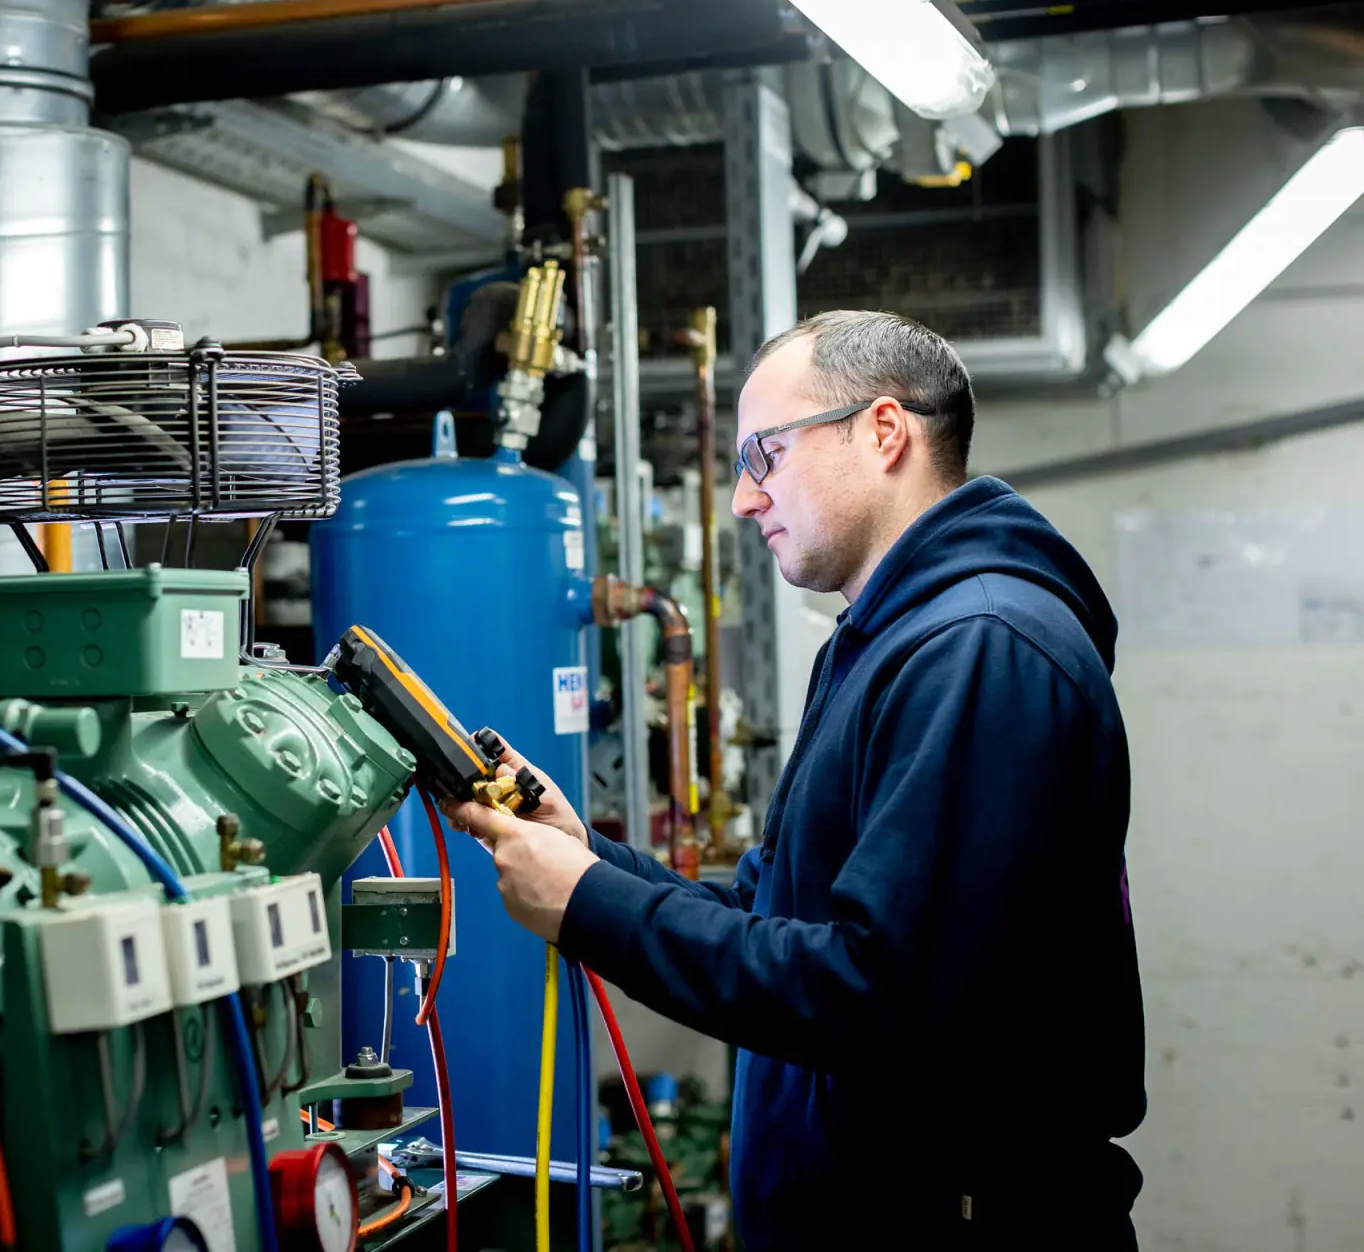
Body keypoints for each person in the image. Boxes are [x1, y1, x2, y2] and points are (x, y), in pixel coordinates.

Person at [441, 311, 1145, 1249]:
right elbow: (781, 911)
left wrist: (590, 909)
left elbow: (871, 990)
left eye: (764, 455)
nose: (742, 498)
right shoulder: (885, 644)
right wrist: (587, 859)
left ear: (884, 431)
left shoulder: (978, 650)